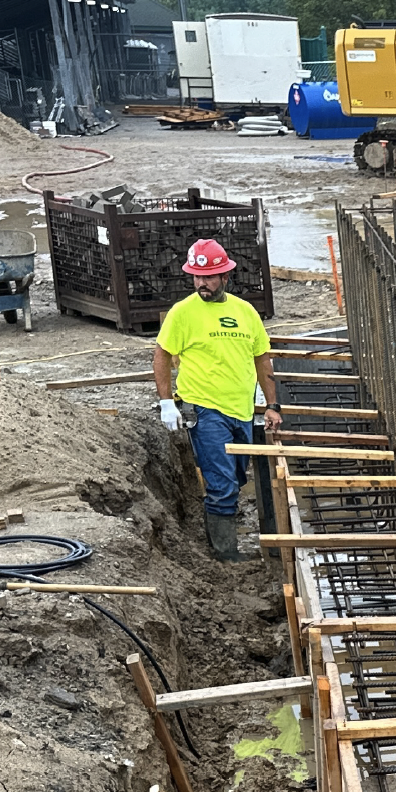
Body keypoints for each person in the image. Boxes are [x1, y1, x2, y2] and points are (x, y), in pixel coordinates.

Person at [152, 239, 280, 561]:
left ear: (225, 277)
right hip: (204, 410)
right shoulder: (183, 313)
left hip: (241, 408)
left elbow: (262, 358)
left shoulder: (244, 312)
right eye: (196, 277)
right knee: (222, 487)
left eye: (208, 277)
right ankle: (226, 556)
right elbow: (162, 355)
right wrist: (167, 401)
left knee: (236, 478)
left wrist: (272, 405)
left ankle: (220, 528)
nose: (201, 283)